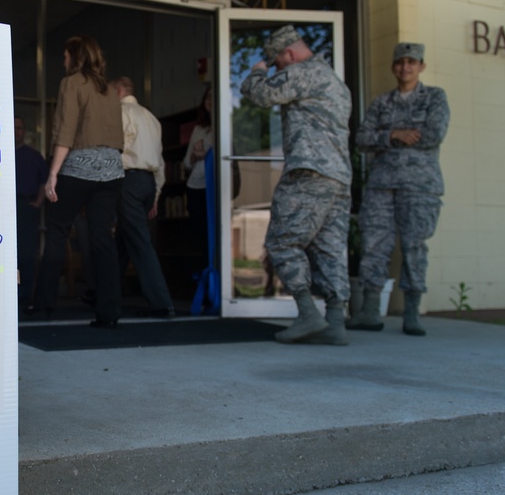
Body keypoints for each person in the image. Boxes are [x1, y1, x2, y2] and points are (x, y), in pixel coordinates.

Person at [239, 25, 353, 346]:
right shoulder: (335, 82)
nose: (276, 69)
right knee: (329, 248)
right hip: (339, 177)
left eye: (277, 63)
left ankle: (307, 314)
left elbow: (262, 93)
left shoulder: (305, 72)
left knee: (282, 241)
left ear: (290, 53)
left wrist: (257, 73)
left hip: (309, 171)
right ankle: (334, 322)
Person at [347, 42, 449, 336]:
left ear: (421, 67)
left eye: (411, 62)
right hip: (381, 186)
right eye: (400, 62)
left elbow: (433, 134)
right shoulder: (381, 103)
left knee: (414, 246)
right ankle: (369, 312)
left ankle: (412, 312)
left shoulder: (434, 98)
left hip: (419, 187)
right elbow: (363, 138)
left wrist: (386, 138)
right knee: (374, 245)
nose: (405, 67)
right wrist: (394, 134)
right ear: (393, 67)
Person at [34, 35, 125, 328]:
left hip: (77, 169)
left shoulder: (71, 83)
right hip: (112, 172)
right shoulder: (110, 89)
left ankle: (45, 306)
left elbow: (65, 131)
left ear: (76, 57)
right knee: (103, 240)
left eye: (65, 56)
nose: (63, 61)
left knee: (57, 233)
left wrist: (52, 174)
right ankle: (108, 313)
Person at [111, 76, 174, 317]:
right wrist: (156, 195)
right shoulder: (151, 118)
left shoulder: (121, 113)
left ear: (118, 90)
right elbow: (159, 161)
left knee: (138, 240)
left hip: (129, 181)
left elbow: (117, 150)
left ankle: (161, 302)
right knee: (124, 241)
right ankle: (105, 293)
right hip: (148, 183)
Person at [13, 116, 47, 308]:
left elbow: (44, 181)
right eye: (13, 128)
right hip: (3, 211)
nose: (17, 131)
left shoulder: (34, 156)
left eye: (20, 128)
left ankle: (24, 296)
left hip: (26, 207)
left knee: (26, 254)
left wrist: (38, 202)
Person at [182, 85, 214, 269]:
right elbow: (187, 163)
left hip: (214, 187)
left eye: (213, 97)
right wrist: (195, 156)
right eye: (207, 97)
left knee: (214, 236)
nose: (210, 100)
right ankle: (207, 281)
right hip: (195, 187)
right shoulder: (198, 129)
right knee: (201, 236)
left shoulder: (225, 126)